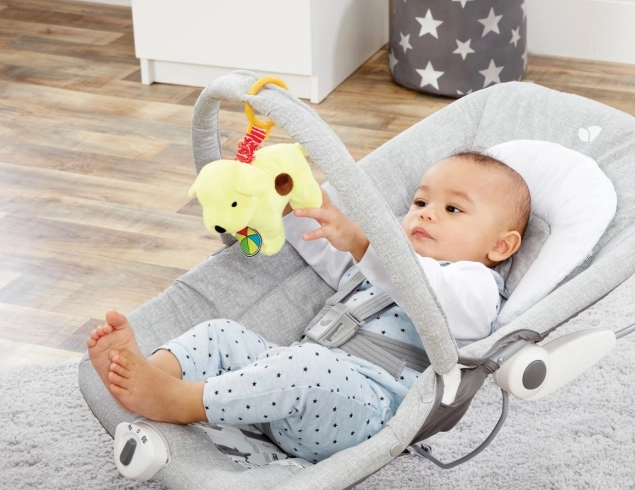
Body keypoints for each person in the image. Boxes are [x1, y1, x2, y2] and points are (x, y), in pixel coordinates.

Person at [87, 151, 530, 461]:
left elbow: (424, 290)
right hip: (282, 390)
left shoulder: (476, 288)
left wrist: (361, 241)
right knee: (221, 333)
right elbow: (323, 240)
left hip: (363, 412)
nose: (426, 213)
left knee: (305, 366)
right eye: (420, 201)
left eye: (453, 209)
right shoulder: (371, 263)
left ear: (500, 246)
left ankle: (180, 401)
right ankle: (150, 375)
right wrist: (292, 197)